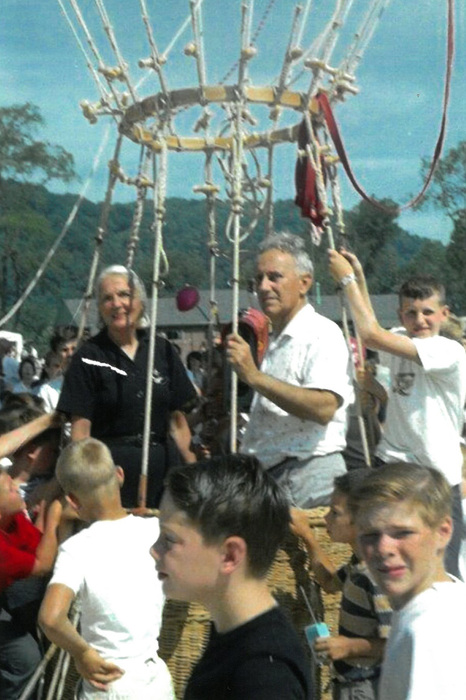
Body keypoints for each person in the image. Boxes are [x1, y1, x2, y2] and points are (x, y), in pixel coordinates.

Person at [328, 249, 466, 577]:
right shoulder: (401, 340)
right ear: (401, 314)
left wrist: (346, 280)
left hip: (436, 480)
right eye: (411, 312)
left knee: (441, 571)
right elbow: (372, 335)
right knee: (393, 564)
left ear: (444, 314)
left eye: (428, 312)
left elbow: (371, 333)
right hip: (394, 469)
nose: (420, 320)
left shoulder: (448, 351)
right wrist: (360, 277)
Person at [151, 454, 313, 699]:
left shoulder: (263, 675)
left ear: (229, 555)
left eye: (169, 539)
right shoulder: (233, 635)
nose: (154, 550)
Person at [39, 438, 175, 700]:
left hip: (108, 683)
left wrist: (82, 653)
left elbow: (50, 617)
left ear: (72, 501)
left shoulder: (76, 549)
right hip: (152, 680)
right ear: (120, 475)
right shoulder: (155, 530)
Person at [227, 232, 353, 507]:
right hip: (275, 479)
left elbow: (323, 407)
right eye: (258, 279)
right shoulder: (278, 340)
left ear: (304, 283)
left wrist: (254, 376)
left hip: (305, 479)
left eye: (274, 277)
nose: (263, 286)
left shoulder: (320, 334)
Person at [58, 265, 198, 508]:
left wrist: (193, 467)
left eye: (124, 294)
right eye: (107, 298)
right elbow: (81, 432)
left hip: (164, 471)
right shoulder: (88, 356)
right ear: (100, 308)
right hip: (111, 476)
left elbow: (177, 420)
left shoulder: (162, 350)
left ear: (140, 301)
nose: (117, 304)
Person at [351, 462, 466, 700]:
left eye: (402, 533)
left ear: (443, 531)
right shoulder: (450, 601)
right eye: (370, 535)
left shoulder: (426, 629)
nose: (384, 548)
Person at [291, 469, 391, 700]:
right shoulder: (359, 564)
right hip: (352, 685)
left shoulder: (376, 575)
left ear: (363, 521)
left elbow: (395, 644)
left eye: (335, 513)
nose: (326, 518)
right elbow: (328, 582)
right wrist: (307, 537)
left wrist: (348, 647)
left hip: (368, 687)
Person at [0, 470, 62, 700]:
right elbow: (42, 565)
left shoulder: (12, 520)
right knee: (24, 658)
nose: (18, 488)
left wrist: (46, 510)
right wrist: (55, 515)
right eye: (10, 489)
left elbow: (37, 545)